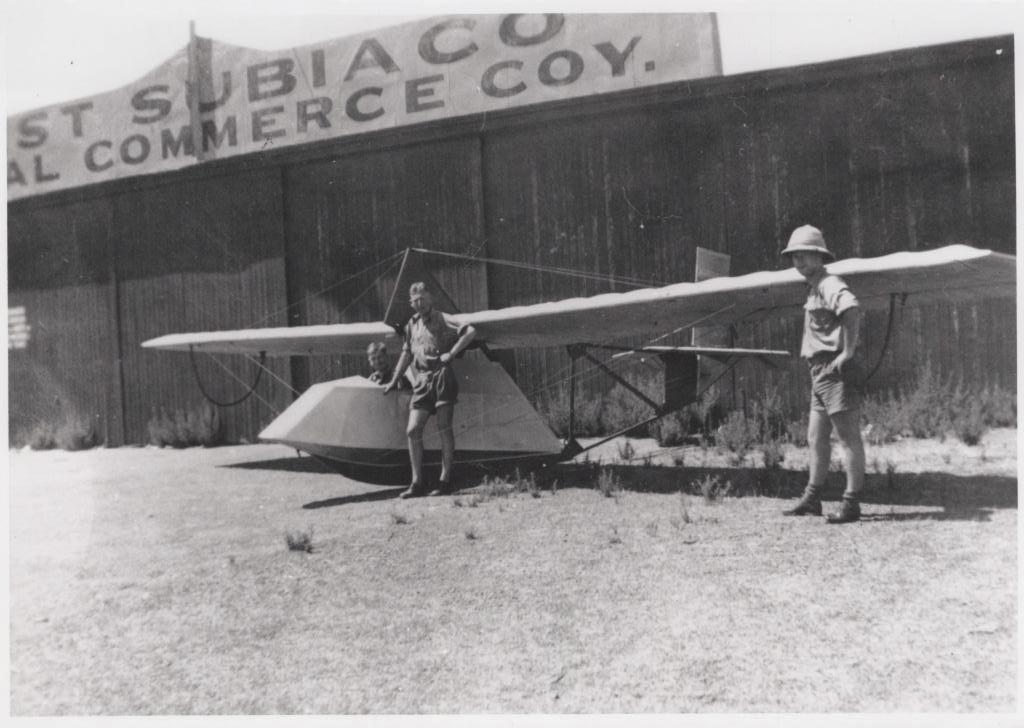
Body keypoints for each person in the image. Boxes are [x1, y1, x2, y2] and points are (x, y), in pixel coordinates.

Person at [781, 225, 866, 524]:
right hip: (818, 372)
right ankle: (812, 497)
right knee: (815, 437)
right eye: (794, 256)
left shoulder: (828, 283)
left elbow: (851, 308)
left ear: (819, 255)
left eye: (805, 254)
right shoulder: (814, 286)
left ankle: (851, 504)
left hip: (833, 370)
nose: (799, 261)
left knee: (848, 438)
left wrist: (848, 352)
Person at [383, 282, 477, 498]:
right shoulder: (411, 325)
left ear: (430, 299)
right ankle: (417, 483)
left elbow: (470, 331)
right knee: (413, 430)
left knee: (444, 427)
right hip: (422, 380)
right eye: (415, 301)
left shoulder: (443, 318)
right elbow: (406, 354)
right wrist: (393, 380)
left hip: (442, 375)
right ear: (411, 303)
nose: (420, 304)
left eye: (423, 299)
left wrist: (451, 354)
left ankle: (445, 481)